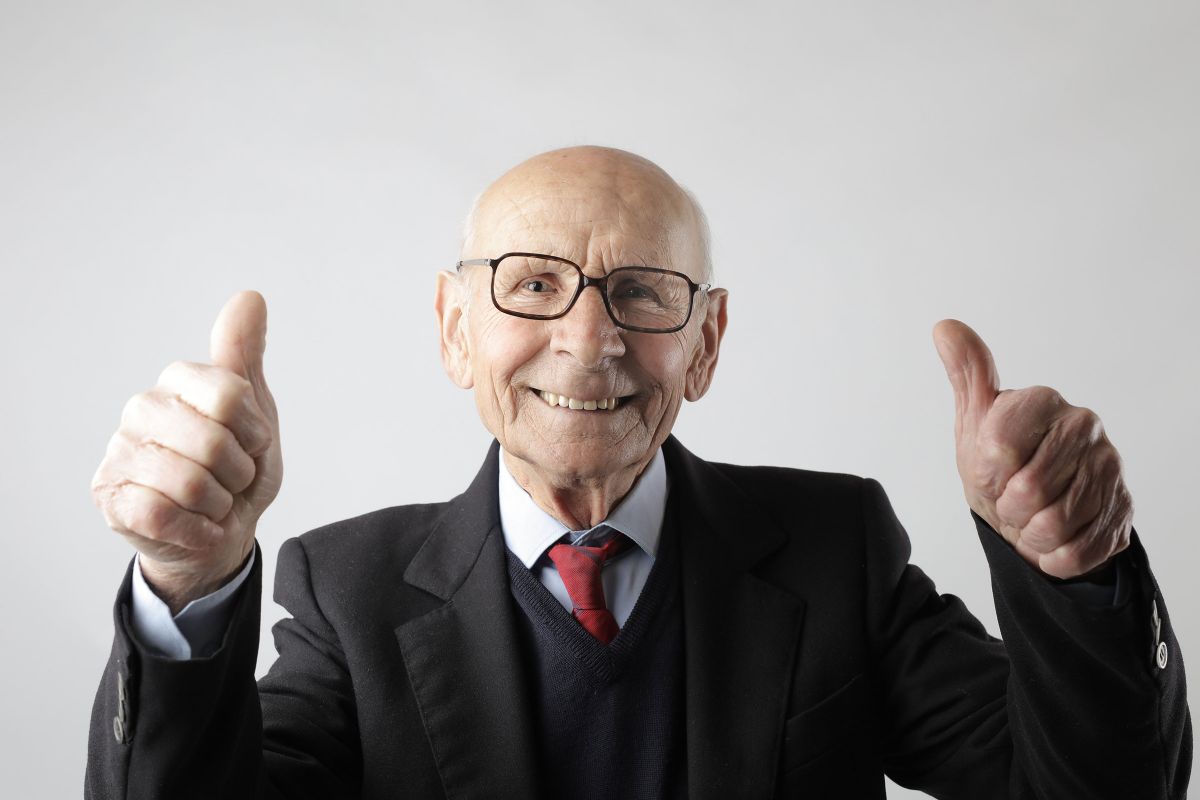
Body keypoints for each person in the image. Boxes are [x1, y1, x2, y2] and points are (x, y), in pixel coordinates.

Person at [86, 146, 1190, 799]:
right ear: (454, 327)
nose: (589, 337)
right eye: (532, 285)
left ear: (705, 345)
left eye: (645, 292)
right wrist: (187, 584)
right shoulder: (351, 586)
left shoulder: (834, 547)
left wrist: (1078, 569)